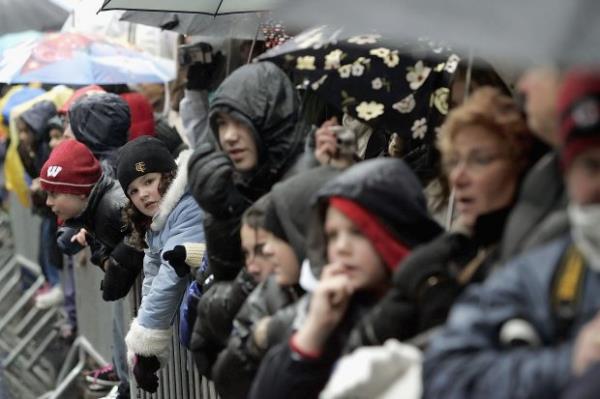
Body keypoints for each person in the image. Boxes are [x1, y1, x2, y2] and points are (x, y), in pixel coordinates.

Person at [423, 69, 600, 399]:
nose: (459, 177)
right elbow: (447, 369)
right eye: (591, 165)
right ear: (568, 170)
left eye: (480, 160)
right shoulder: (544, 268)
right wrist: (569, 362)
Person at [344, 87, 534, 348]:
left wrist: (433, 290)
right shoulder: (456, 248)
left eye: (479, 160)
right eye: (454, 161)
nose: (459, 177)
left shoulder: (528, 250)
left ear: (519, 162)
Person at [249, 158, 442, 399]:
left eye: (357, 232)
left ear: (392, 231)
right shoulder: (332, 309)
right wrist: (314, 330)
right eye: (331, 235)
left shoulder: (438, 300)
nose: (340, 248)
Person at [187, 61, 308, 374]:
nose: (228, 137)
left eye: (239, 123)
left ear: (269, 119)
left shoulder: (300, 187)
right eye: (221, 124)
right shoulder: (234, 187)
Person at [211, 166, 340, 398]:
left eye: (267, 244)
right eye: (247, 253)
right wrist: (258, 339)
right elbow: (227, 378)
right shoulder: (268, 293)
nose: (253, 265)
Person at [40, 139, 144, 399]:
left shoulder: (111, 208)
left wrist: (107, 260)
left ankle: (127, 386)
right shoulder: (95, 206)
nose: (49, 202)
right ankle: (125, 384)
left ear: (80, 192)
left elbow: (134, 250)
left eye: (54, 194)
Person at [116, 136, 204, 394]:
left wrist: (147, 345)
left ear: (168, 176)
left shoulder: (188, 207)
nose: (142, 194)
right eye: (133, 190)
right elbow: (152, 275)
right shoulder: (158, 221)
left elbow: (169, 277)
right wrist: (143, 345)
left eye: (148, 181)